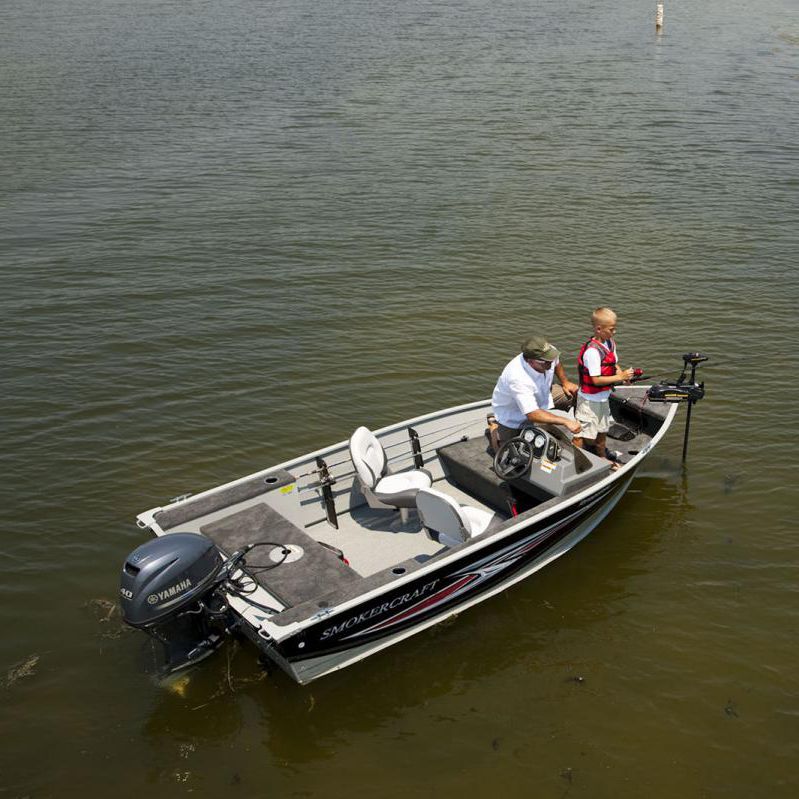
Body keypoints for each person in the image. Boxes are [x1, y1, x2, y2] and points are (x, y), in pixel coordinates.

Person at [491, 335, 581, 446]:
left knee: (577, 393)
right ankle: (494, 426)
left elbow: (556, 362)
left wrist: (565, 382)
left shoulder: (548, 353)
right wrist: (565, 421)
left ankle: (580, 436)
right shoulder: (517, 377)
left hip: (543, 394)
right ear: (530, 361)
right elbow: (532, 413)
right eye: (546, 362)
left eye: (551, 359)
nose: (550, 363)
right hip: (514, 414)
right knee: (510, 455)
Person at [572, 307, 635, 463]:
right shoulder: (592, 352)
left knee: (602, 430)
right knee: (582, 433)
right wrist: (619, 377)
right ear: (599, 329)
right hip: (589, 400)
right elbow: (596, 380)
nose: (614, 332)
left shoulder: (610, 343)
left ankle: (601, 457)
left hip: (603, 398)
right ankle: (577, 462)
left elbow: (613, 364)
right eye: (611, 329)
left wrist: (624, 377)